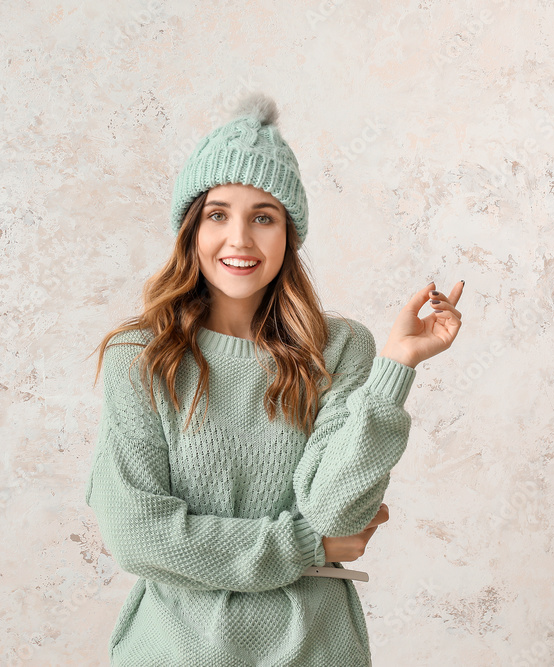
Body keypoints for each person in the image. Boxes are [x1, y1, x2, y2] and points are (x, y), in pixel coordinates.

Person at [84, 92, 464, 666]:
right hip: (174, 652)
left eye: (263, 217)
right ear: (190, 230)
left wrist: (395, 369)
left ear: (289, 235)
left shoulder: (340, 348)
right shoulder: (140, 356)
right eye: (218, 214)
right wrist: (307, 546)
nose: (239, 239)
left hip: (315, 649)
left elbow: (339, 513)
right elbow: (138, 533)